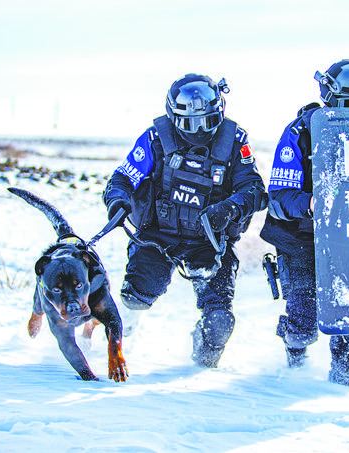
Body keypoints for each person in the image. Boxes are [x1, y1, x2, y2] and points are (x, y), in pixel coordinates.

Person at [102, 73, 266, 368]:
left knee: (220, 321)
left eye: (207, 121)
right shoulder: (155, 138)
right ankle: (115, 348)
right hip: (157, 237)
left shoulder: (234, 141)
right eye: (190, 123)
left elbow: (254, 189)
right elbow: (123, 177)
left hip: (210, 243)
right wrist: (118, 201)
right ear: (173, 116)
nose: (200, 131)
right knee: (134, 299)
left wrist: (228, 209)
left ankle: (201, 369)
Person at [260, 59, 349, 385]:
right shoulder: (300, 133)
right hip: (302, 241)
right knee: (302, 327)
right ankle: (292, 366)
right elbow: (279, 197)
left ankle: (339, 388)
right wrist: (311, 203)